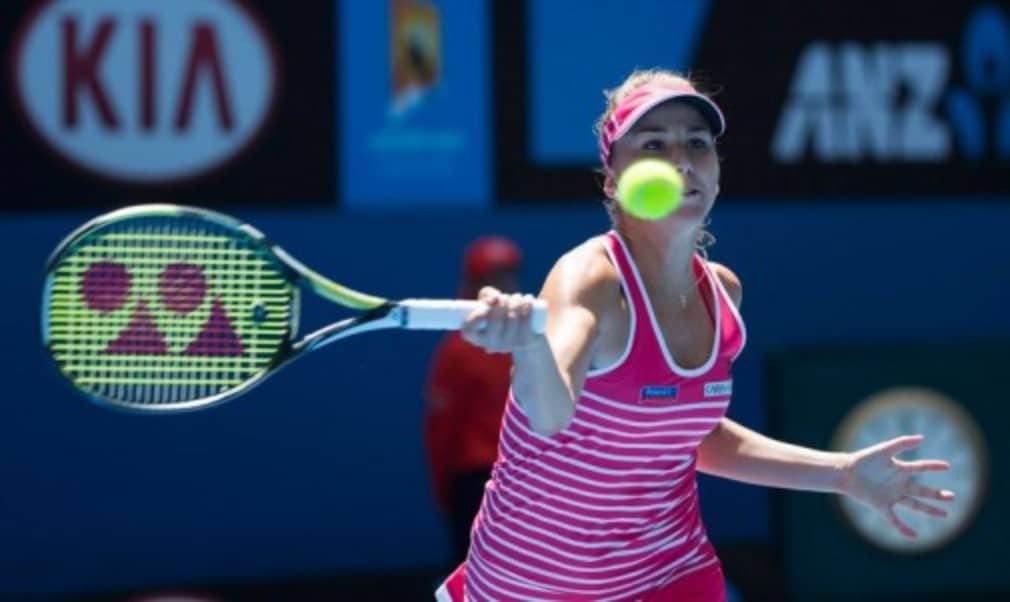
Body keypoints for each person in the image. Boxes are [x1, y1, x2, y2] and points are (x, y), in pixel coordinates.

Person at [434, 69, 955, 602]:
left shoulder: (723, 293)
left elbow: (689, 432)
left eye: (697, 143)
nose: (680, 160)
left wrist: (841, 473)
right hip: (533, 583)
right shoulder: (589, 278)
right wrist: (529, 346)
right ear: (612, 179)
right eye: (654, 143)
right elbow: (550, 414)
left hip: (669, 569)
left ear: (716, 171)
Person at [424, 236, 524, 567]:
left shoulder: (531, 344)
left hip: (523, 483)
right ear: (473, 283)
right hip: (474, 486)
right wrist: (446, 493)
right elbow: (441, 431)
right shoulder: (455, 351)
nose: (501, 285)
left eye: (506, 275)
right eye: (491, 278)